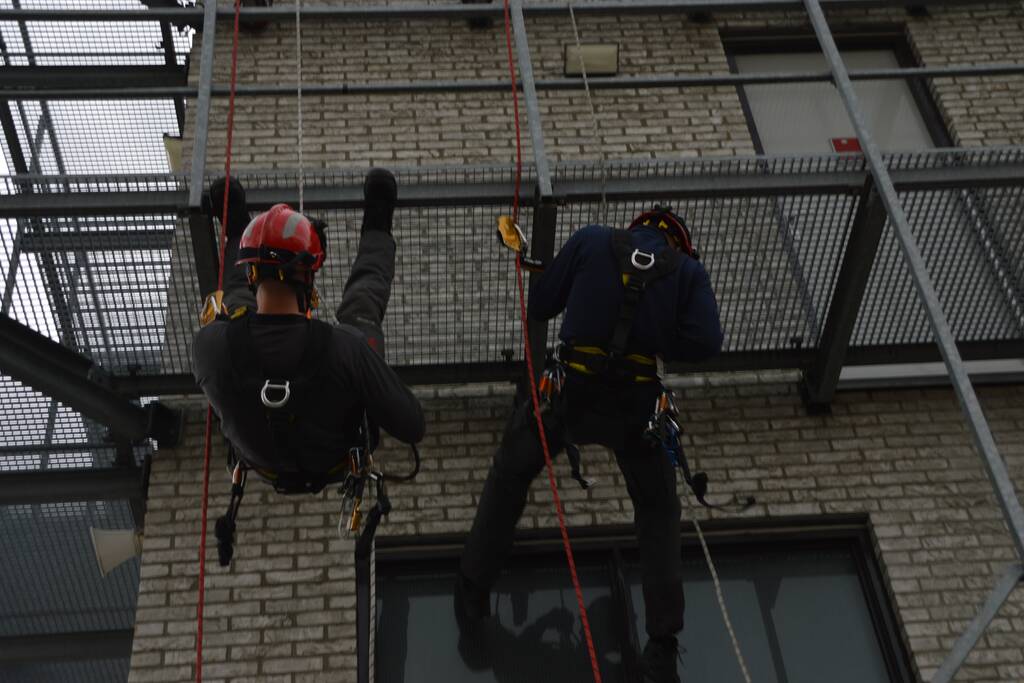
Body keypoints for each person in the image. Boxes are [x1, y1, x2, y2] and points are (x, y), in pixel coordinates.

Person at [456, 208, 723, 683]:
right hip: (637, 403)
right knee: (659, 511)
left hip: (571, 391)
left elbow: (540, 305)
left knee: (511, 472)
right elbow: (706, 340)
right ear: (677, 243)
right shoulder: (687, 271)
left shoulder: (593, 239)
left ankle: (473, 591)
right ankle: (662, 646)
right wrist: (657, 336)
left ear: (638, 225)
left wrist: (562, 281)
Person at [192, 169, 424, 493]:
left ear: (250, 272)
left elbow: (236, 305)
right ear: (307, 275)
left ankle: (234, 226)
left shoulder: (209, 347)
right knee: (363, 304)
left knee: (235, 304)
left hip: (262, 461)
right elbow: (412, 425)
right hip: (335, 459)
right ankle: (378, 219)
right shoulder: (348, 350)